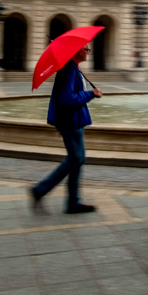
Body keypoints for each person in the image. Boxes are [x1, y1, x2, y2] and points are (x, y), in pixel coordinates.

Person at [31, 45, 103, 214]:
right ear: (79, 51)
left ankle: (73, 202)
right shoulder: (68, 70)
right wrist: (91, 94)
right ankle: (40, 189)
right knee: (76, 159)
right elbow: (66, 98)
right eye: (87, 49)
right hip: (71, 122)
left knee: (77, 159)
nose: (88, 52)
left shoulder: (73, 68)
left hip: (74, 121)